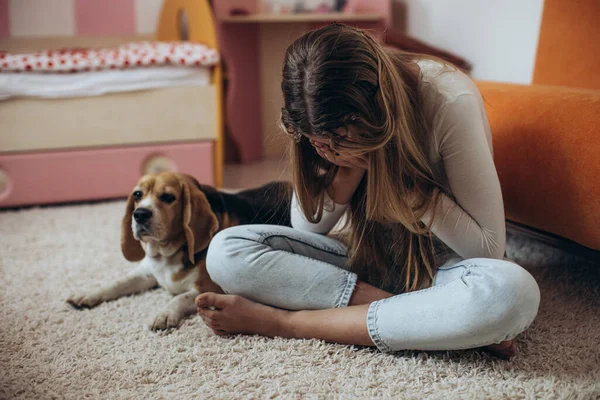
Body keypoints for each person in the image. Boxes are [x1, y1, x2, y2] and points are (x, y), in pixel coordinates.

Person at [195, 23, 540, 359]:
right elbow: (307, 227)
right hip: (369, 263)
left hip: (443, 269)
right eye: (318, 144)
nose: (326, 150)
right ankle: (424, 320)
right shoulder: (318, 110)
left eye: (338, 139)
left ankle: (288, 323)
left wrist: (387, 168)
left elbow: (488, 249)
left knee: (510, 293)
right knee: (226, 252)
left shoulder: (448, 98)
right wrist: (348, 164)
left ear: (375, 116)